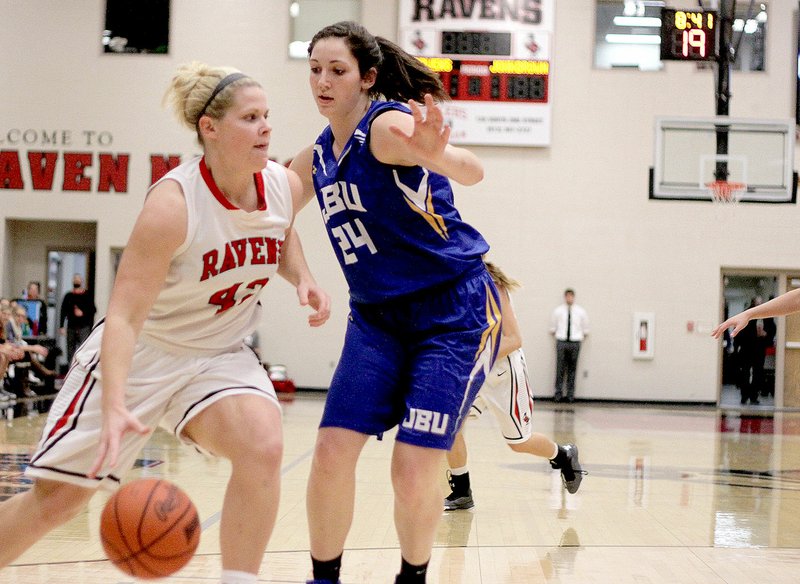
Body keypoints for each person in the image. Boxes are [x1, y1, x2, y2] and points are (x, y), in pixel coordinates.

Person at [0, 61, 331, 584]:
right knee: (56, 503)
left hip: (219, 355)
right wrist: (112, 405)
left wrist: (303, 277)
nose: (267, 127)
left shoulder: (280, 184)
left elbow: (282, 229)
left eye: (267, 115)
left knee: (263, 443)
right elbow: (126, 318)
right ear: (210, 128)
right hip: (143, 354)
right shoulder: (173, 206)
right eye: (251, 117)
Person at [290, 21, 499, 584]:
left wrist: (439, 155)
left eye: (337, 70)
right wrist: (304, 276)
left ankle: (413, 576)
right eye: (315, 70)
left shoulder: (383, 126)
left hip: (450, 314)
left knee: (412, 469)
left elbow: (473, 170)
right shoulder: (313, 158)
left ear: (368, 77)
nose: (323, 81)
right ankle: (323, 578)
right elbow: (270, 209)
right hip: (376, 318)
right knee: (332, 451)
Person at [444, 261, 584, 511]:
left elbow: (514, 339)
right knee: (450, 426)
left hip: (504, 372)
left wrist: (476, 353)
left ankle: (563, 455)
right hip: (475, 371)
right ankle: (462, 489)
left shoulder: (494, 288)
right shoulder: (452, 288)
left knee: (518, 443)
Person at [549, 289, 589, 403]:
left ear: (574, 297)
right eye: (567, 296)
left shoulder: (581, 311)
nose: (569, 298)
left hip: (575, 341)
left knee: (572, 369)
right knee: (560, 368)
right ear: (565, 297)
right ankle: (558, 394)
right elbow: (553, 328)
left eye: (571, 296)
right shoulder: (558, 311)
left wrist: (579, 337)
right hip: (562, 341)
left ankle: (570, 395)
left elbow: (585, 329)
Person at [58, 273, 97, 366]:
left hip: (84, 327)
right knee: (70, 351)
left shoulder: (87, 295)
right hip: (71, 326)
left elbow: (93, 310)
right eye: (75, 279)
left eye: (78, 279)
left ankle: (82, 369)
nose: (76, 281)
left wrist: (83, 313)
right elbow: (63, 311)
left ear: (82, 281)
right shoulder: (68, 296)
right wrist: (61, 326)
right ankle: (70, 369)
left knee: (84, 350)